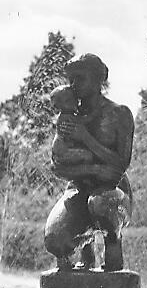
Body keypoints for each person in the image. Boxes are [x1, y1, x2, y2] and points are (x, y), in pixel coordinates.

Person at [43, 54, 134, 271]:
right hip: (79, 189)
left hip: (114, 192)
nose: (73, 85)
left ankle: (113, 255)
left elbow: (120, 166)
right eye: (71, 79)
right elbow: (58, 166)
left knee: (100, 204)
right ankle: (78, 262)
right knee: (55, 239)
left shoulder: (119, 113)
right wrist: (93, 168)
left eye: (80, 78)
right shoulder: (69, 116)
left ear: (98, 80)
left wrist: (86, 138)